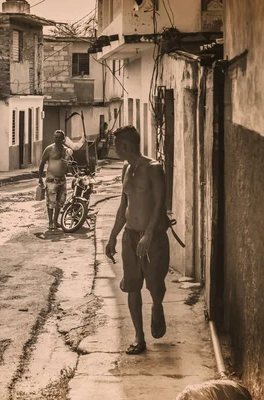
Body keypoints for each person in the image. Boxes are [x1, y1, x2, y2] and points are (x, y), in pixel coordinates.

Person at [105, 125, 169, 355]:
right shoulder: (125, 169)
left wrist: (149, 234)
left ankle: (158, 305)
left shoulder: (153, 168)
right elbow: (124, 206)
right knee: (132, 286)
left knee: (154, 284)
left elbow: (160, 205)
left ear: (124, 146)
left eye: (116, 145)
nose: (114, 149)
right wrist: (113, 236)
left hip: (152, 238)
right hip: (130, 236)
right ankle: (139, 337)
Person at [38, 130, 73, 231]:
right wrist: (40, 177)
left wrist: (75, 173)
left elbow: (70, 164)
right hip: (51, 179)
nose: (57, 139)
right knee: (51, 202)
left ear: (63, 139)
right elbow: (42, 163)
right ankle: (50, 222)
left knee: (60, 201)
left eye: (59, 138)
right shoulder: (49, 149)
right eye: (55, 137)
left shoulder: (66, 150)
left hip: (62, 179)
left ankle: (55, 221)